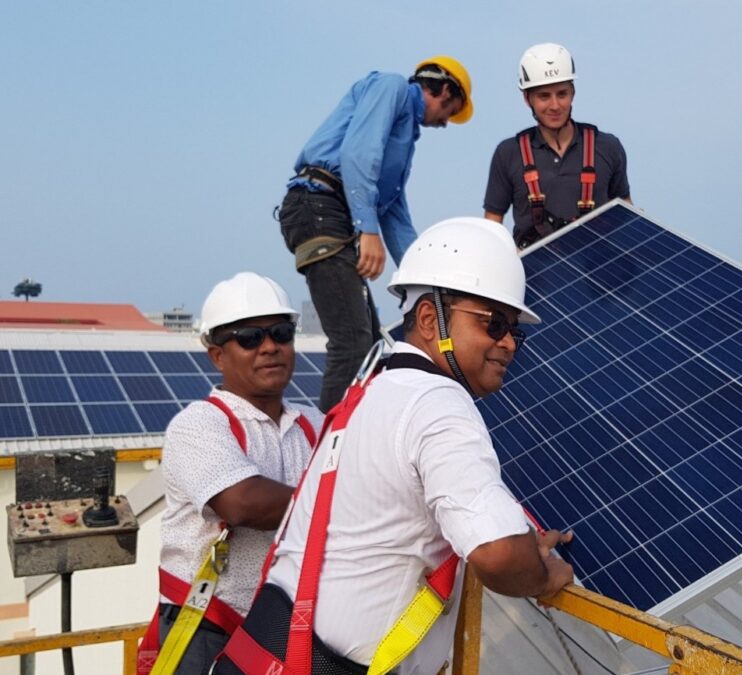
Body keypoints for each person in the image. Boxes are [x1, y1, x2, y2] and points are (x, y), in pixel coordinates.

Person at [216, 218, 574, 675]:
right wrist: (543, 576)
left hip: (265, 653)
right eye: (493, 323)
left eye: (514, 332)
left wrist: (515, 541)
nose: (507, 343)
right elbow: (499, 555)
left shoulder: (366, 393)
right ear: (429, 319)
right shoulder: (438, 403)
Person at [136, 272, 322, 675]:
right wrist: (338, 503)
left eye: (281, 332)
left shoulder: (314, 424)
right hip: (208, 626)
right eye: (250, 338)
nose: (270, 347)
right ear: (218, 356)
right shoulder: (199, 425)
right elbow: (242, 503)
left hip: (282, 625)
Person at [279, 56, 473, 412]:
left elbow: (395, 213)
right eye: (451, 112)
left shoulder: (405, 136)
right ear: (445, 90)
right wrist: (366, 228)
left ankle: (354, 437)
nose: (445, 124)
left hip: (335, 211)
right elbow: (357, 155)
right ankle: (329, 452)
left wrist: (427, 280)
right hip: (319, 206)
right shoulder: (393, 87)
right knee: (352, 342)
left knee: (369, 345)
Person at [483, 43, 630, 248]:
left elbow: (625, 213)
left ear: (573, 93)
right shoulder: (508, 153)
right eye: (544, 96)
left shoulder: (607, 147)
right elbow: (492, 224)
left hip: (597, 271)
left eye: (562, 94)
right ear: (527, 98)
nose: (555, 106)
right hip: (533, 275)